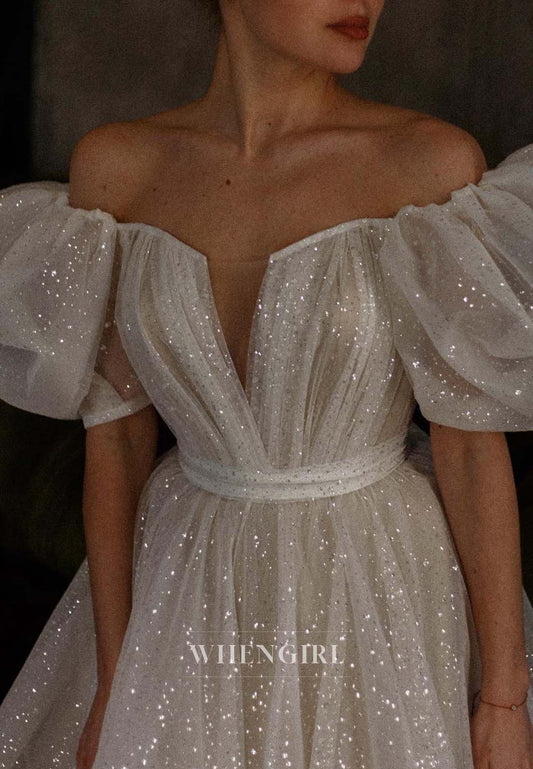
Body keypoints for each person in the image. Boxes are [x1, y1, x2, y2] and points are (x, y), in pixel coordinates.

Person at [0, 0, 532, 767]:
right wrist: (116, 681)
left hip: (378, 582)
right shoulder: (118, 169)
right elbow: (115, 443)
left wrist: (503, 698)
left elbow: (471, 446)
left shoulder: (427, 164)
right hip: (188, 580)